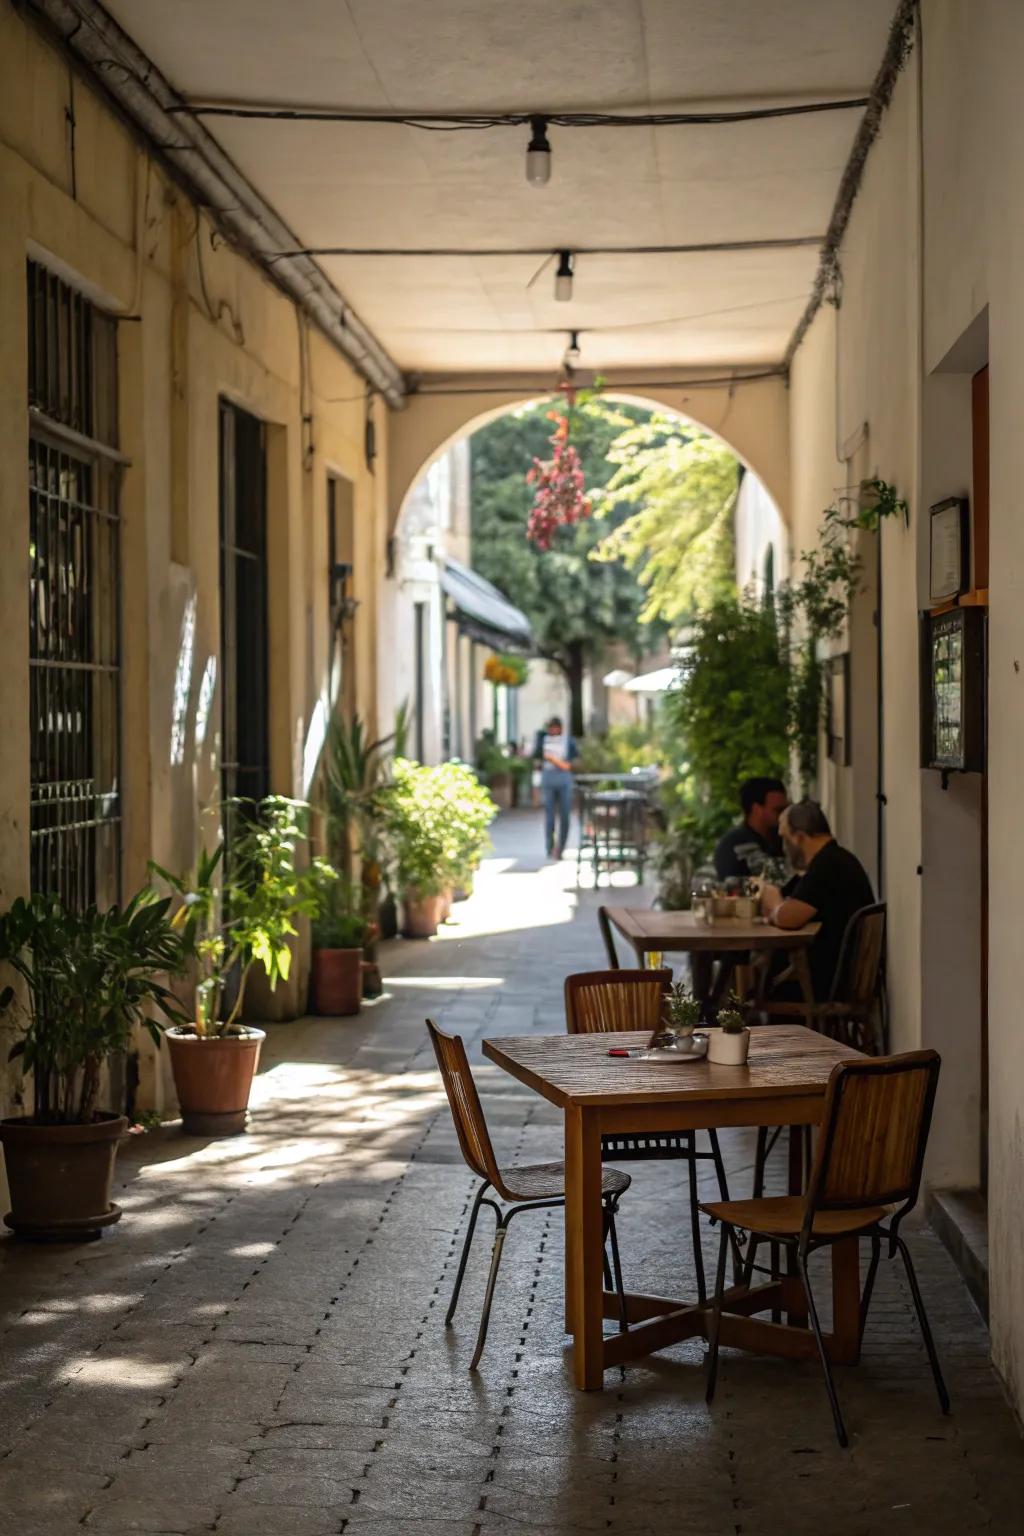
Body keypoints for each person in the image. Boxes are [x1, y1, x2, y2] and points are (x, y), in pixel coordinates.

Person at [760, 799, 874, 1001]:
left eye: (784, 838)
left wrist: (773, 899)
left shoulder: (827, 865)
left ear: (799, 838)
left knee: (763, 985)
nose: (783, 848)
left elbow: (788, 918)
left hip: (829, 981)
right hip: (843, 975)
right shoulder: (837, 858)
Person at [714, 777, 788, 882]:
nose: (784, 815)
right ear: (756, 809)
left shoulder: (782, 839)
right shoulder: (734, 843)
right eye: (778, 810)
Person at [534, 715, 578, 860]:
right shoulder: (543, 740)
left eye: (555, 728)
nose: (552, 730)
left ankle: (561, 847)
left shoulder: (568, 742)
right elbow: (536, 759)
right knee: (549, 816)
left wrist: (554, 760)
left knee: (565, 815)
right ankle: (550, 846)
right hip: (549, 779)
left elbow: (571, 763)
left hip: (564, 779)